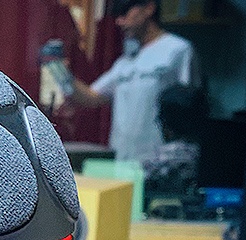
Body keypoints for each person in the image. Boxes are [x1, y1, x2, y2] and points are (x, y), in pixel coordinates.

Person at [43, 0, 199, 161]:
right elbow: (91, 97)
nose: (119, 21)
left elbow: (189, 107)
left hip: (161, 161)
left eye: (125, 13)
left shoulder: (178, 50)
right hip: (121, 159)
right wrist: (57, 68)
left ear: (149, 8)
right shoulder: (124, 63)